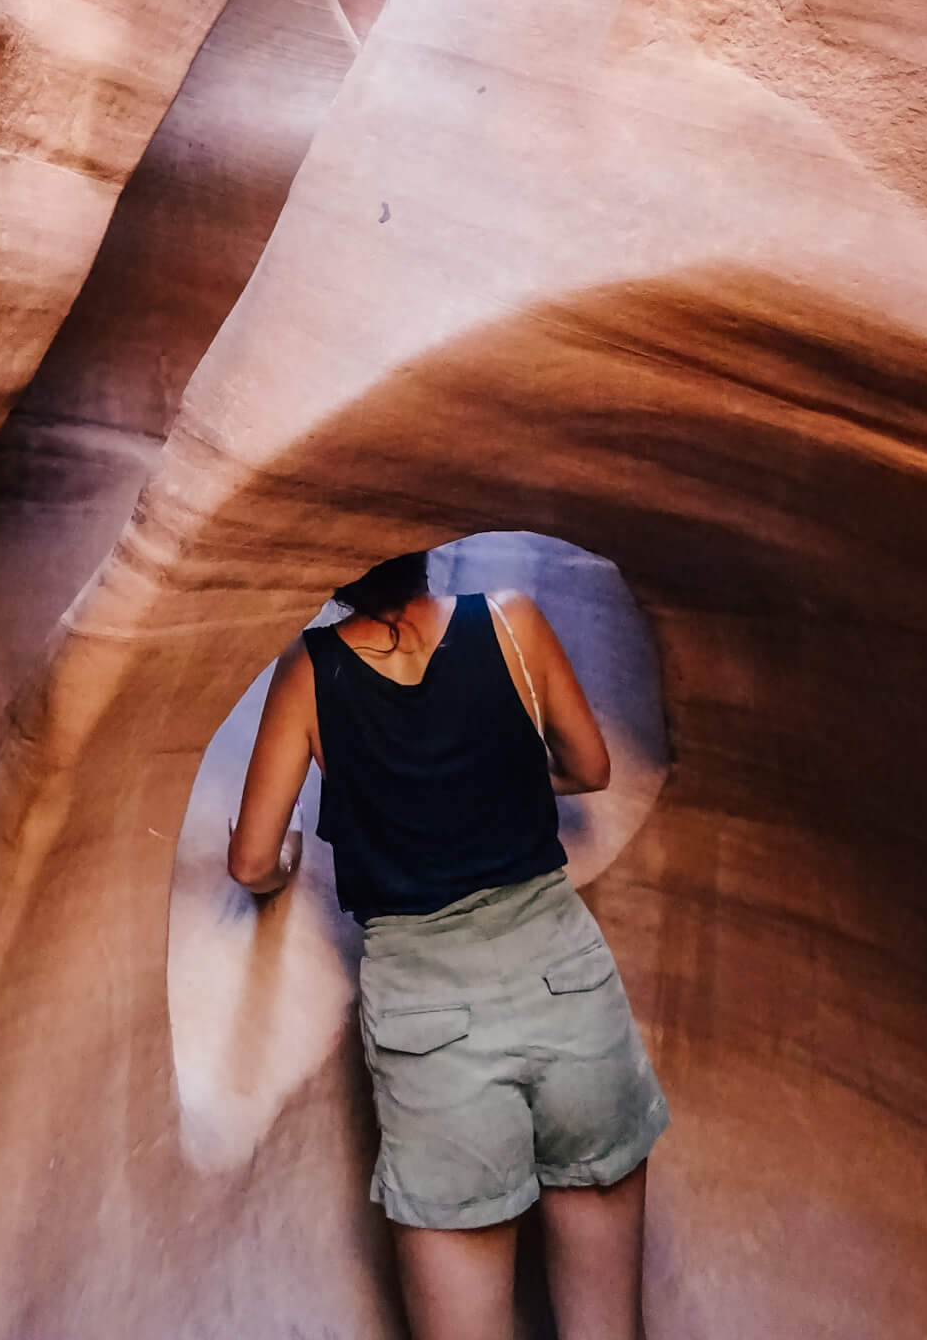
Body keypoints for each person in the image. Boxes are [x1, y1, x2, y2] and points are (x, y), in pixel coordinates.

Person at [228, 551, 668, 1340]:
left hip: (433, 1028)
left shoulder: (310, 673)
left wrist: (290, 861)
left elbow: (252, 861)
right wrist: (499, 780)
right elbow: (590, 767)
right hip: (566, 984)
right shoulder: (512, 620)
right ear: (423, 547)